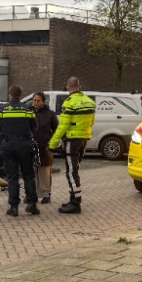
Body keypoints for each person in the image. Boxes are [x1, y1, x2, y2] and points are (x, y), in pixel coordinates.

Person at [48, 77, 96, 214]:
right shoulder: (90, 102)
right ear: (79, 87)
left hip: (72, 140)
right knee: (75, 169)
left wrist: (52, 144)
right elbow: (92, 122)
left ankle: (75, 203)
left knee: (71, 171)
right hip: (84, 139)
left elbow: (62, 126)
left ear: (68, 88)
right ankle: (73, 199)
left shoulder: (69, 103)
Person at [0, 85, 40, 216]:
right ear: (20, 96)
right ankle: (32, 204)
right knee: (28, 175)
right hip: (24, 145)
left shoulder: (1, 109)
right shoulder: (28, 109)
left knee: (12, 177)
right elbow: (34, 127)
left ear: (10, 95)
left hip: (7, 146)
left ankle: (13, 207)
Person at [32, 91, 58, 204]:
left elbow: (56, 130)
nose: (36, 103)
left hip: (44, 147)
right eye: (34, 100)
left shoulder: (50, 114)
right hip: (31, 146)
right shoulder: (29, 112)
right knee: (33, 171)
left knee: (44, 171)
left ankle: (46, 194)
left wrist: (50, 142)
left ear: (43, 102)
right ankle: (33, 193)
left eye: (38, 101)